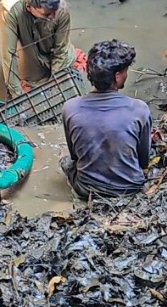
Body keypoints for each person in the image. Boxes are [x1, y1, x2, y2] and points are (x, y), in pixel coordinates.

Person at [61, 40, 152, 199]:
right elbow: (143, 161)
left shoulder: (70, 108)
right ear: (117, 76)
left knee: (65, 161)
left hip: (87, 190)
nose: (126, 74)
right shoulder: (140, 109)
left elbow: (75, 156)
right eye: (125, 71)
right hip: (130, 189)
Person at [0, 0, 86, 98]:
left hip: (53, 53)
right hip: (30, 57)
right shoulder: (11, 10)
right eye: (48, 14)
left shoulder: (61, 8)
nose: (53, 17)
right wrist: (17, 95)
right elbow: (8, 56)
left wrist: (55, 85)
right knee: (27, 88)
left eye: (55, 11)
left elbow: (61, 50)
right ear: (29, 8)